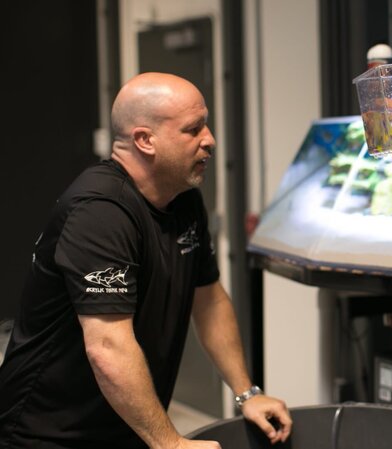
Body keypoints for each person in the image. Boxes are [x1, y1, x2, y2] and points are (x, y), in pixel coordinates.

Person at [0, 73, 292, 448]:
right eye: (193, 129)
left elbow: (209, 301)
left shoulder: (183, 200)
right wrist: (170, 443)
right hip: (46, 435)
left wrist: (246, 393)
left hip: (124, 426)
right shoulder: (100, 212)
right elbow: (108, 346)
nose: (210, 140)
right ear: (145, 140)